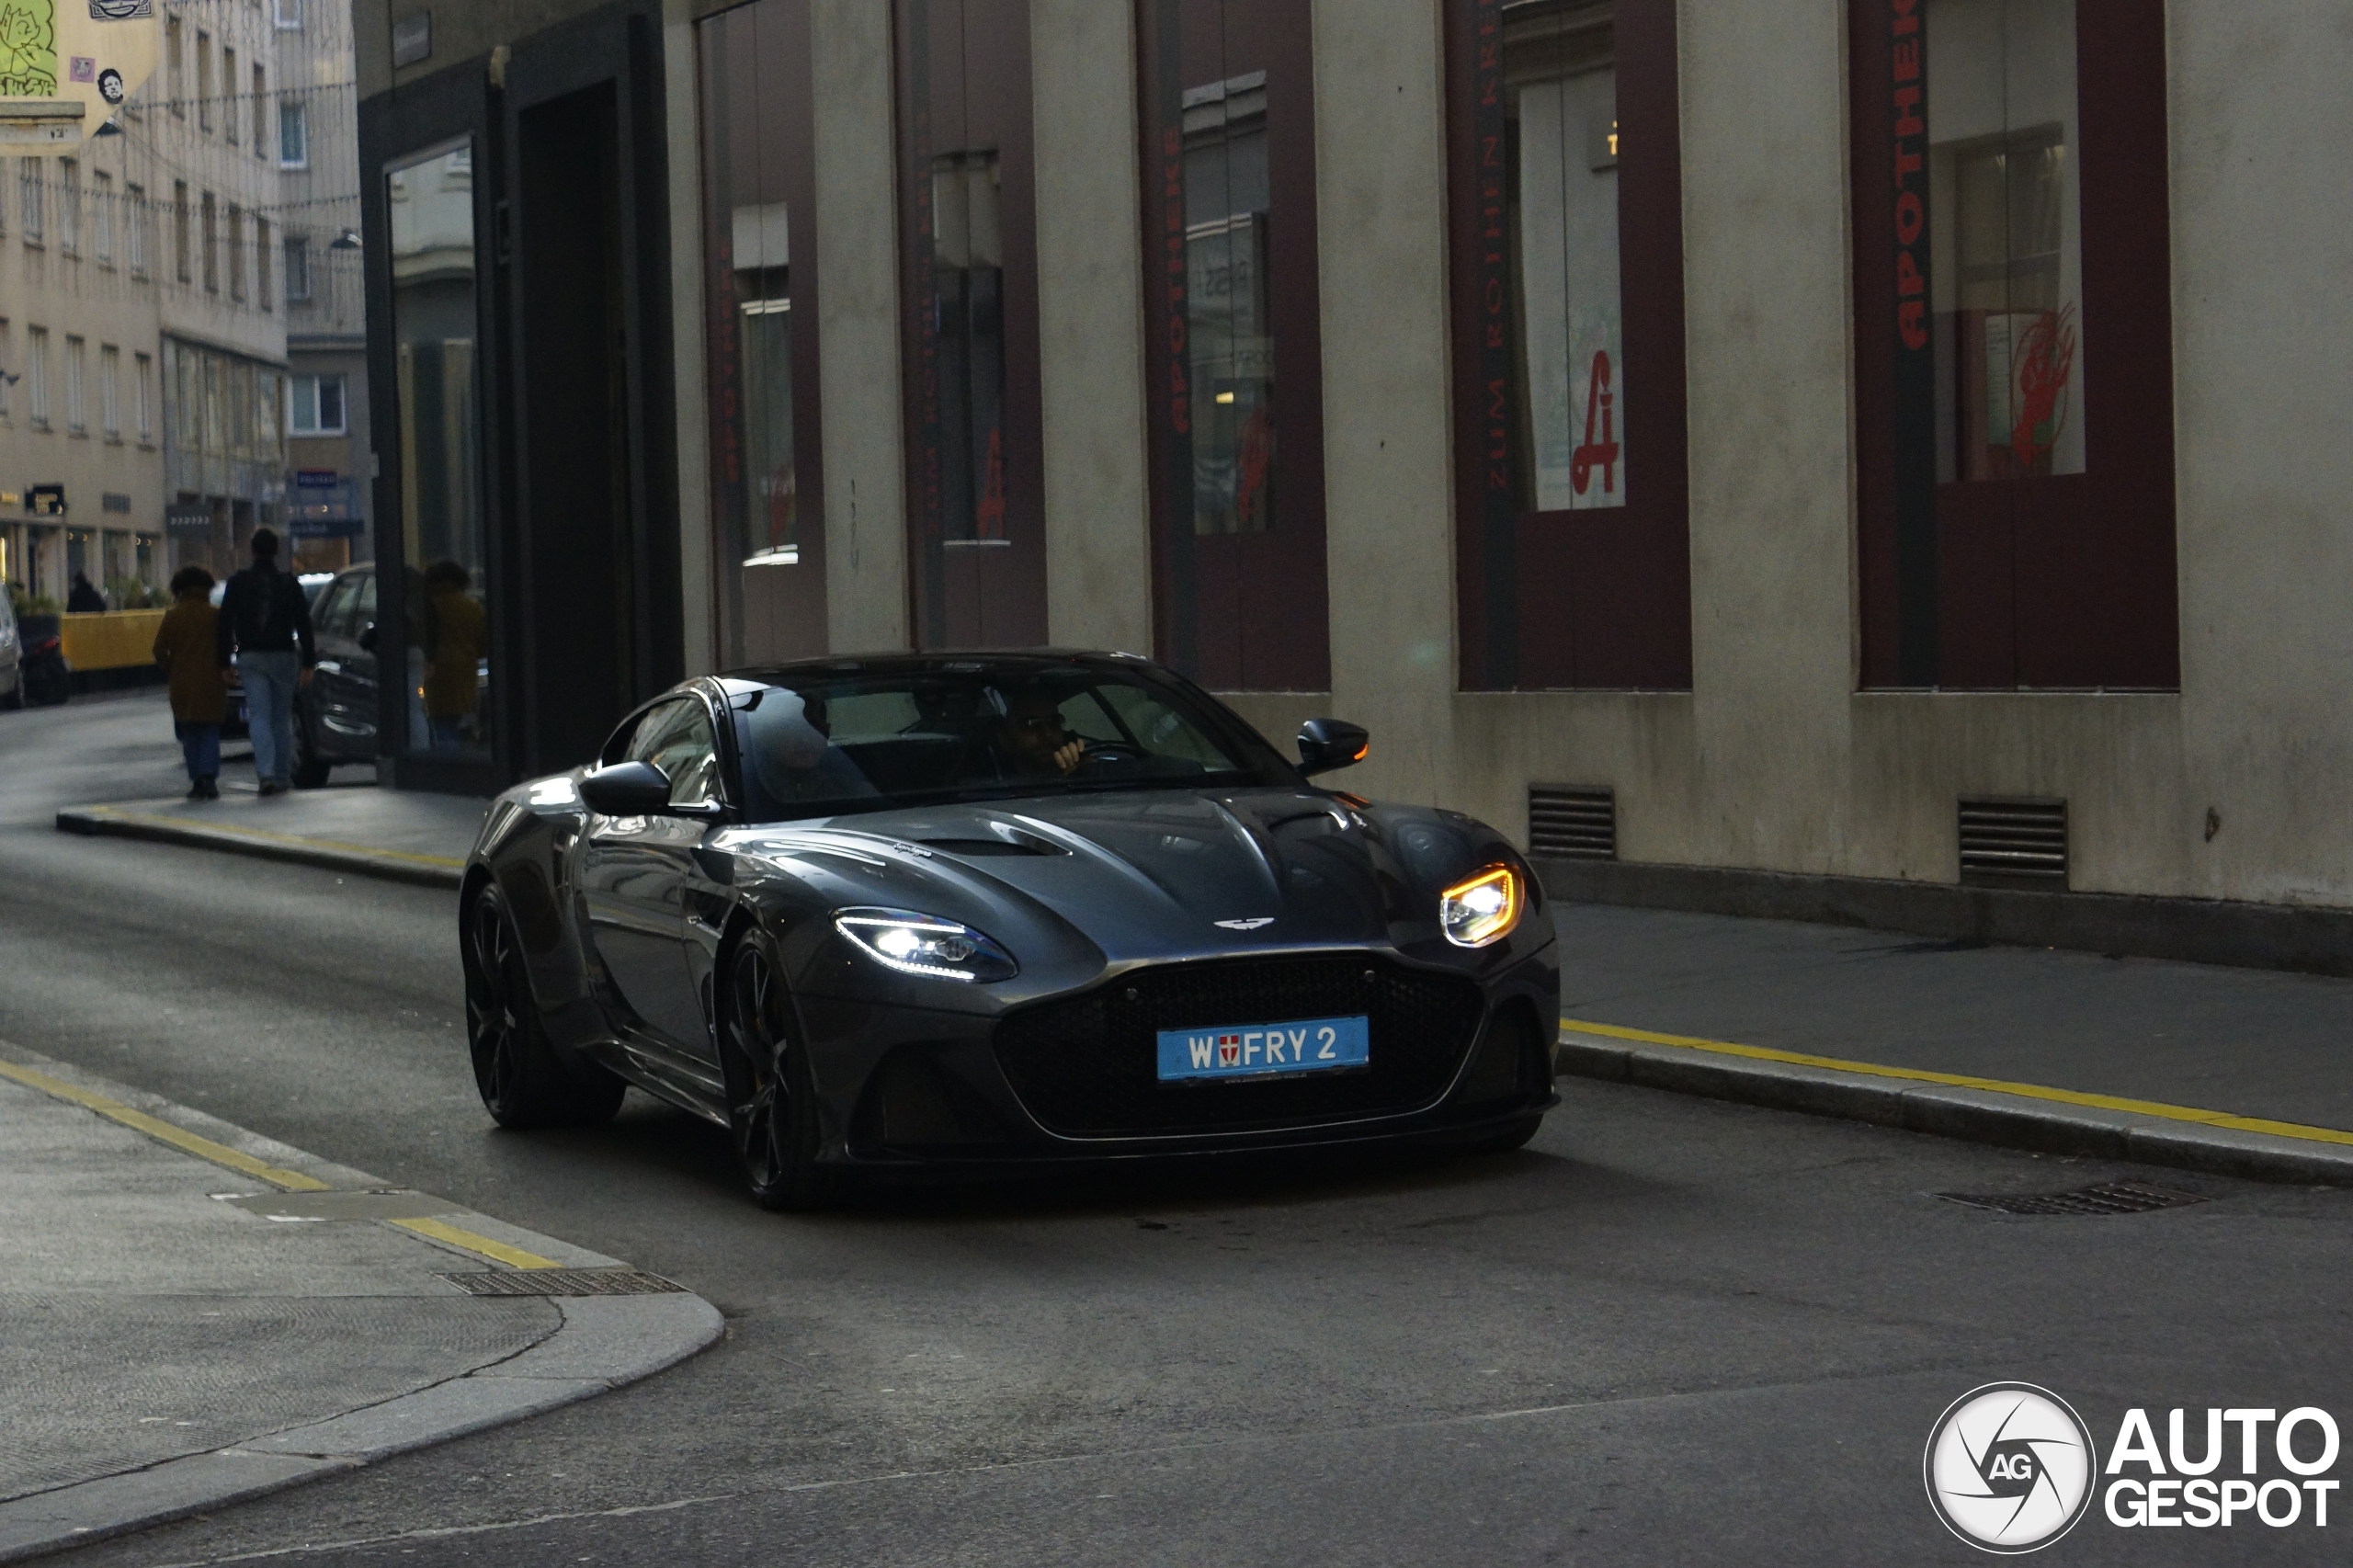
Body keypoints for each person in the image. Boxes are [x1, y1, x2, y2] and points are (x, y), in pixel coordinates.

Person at [214, 528, 315, 796]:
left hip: (251, 656)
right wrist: (309, 662)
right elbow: (304, 624)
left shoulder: (238, 583)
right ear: (277, 550)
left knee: (259, 716)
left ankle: (266, 774)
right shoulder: (289, 583)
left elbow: (225, 623)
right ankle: (282, 775)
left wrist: (224, 662)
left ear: (252, 550)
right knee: (282, 718)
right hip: (284, 655)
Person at [153, 566, 227, 799]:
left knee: (189, 732)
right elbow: (228, 644)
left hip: (182, 683)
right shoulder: (216, 615)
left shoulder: (174, 617)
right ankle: (209, 777)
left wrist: (171, 668)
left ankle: (197, 779)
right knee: (209, 730)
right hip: (212, 682)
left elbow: (158, 650)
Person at [420, 559, 485, 750]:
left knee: (441, 725)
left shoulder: (428, 607)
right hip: (464, 674)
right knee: (459, 723)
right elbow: (483, 644)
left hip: (433, 674)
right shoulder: (472, 609)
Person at [994, 687, 1087, 778]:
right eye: (1032, 724)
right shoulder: (990, 784)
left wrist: (1078, 774)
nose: (1047, 733)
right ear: (1005, 738)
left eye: (1053, 722)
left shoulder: (1078, 771)